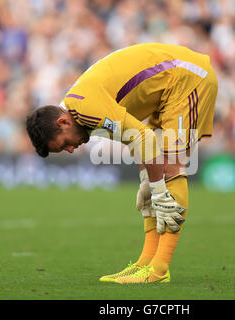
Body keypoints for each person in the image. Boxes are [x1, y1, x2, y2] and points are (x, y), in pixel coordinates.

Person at [26, 43, 218, 283]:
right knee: (156, 179)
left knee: (170, 166)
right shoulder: (81, 115)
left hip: (187, 78)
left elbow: (142, 137)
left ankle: (159, 270)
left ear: (62, 122)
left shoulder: (87, 110)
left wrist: (158, 189)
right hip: (168, 88)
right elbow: (134, 138)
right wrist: (146, 180)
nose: (72, 149)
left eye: (65, 144)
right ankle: (145, 262)